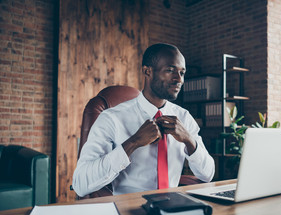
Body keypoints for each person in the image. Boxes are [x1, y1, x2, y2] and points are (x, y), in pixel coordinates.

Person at [72, 43, 215, 197]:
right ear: (147, 71)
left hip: (174, 206)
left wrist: (189, 140)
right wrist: (133, 142)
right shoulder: (112, 118)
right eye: (170, 70)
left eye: (182, 72)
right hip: (129, 210)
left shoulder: (184, 117)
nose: (179, 79)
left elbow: (208, 174)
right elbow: (80, 184)